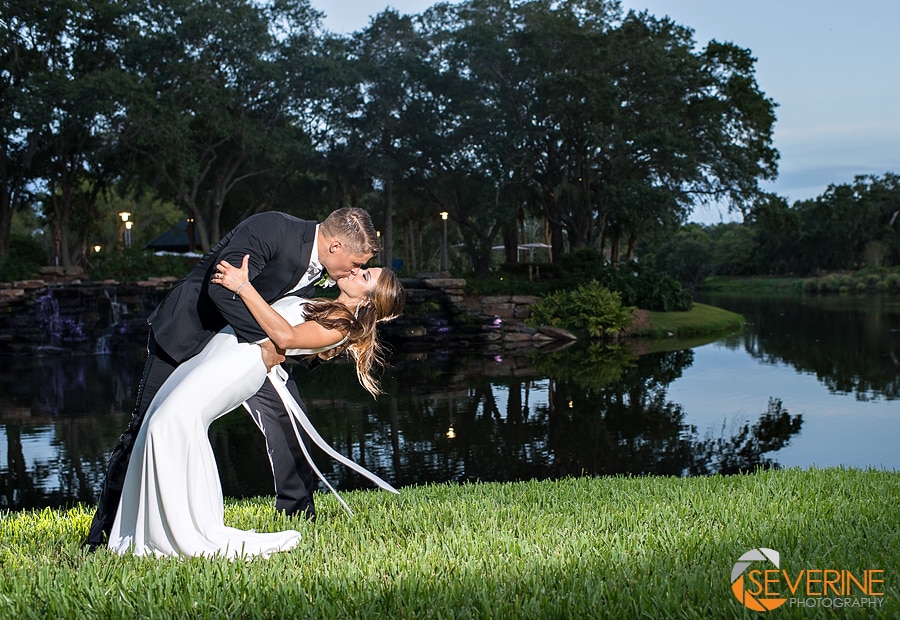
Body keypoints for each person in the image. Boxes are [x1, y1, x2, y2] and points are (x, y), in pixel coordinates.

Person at [86, 208, 379, 550]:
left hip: (241, 348)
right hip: (189, 335)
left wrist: (309, 349)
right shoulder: (271, 229)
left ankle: (297, 512)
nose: (355, 270)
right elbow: (223, 289)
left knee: (287, 419)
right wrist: (267, 344)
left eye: (362, 268)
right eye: (356, 262)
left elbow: (287, 313)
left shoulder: (323, 269)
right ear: (336, 246)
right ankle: (103, 535)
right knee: (145, 428)